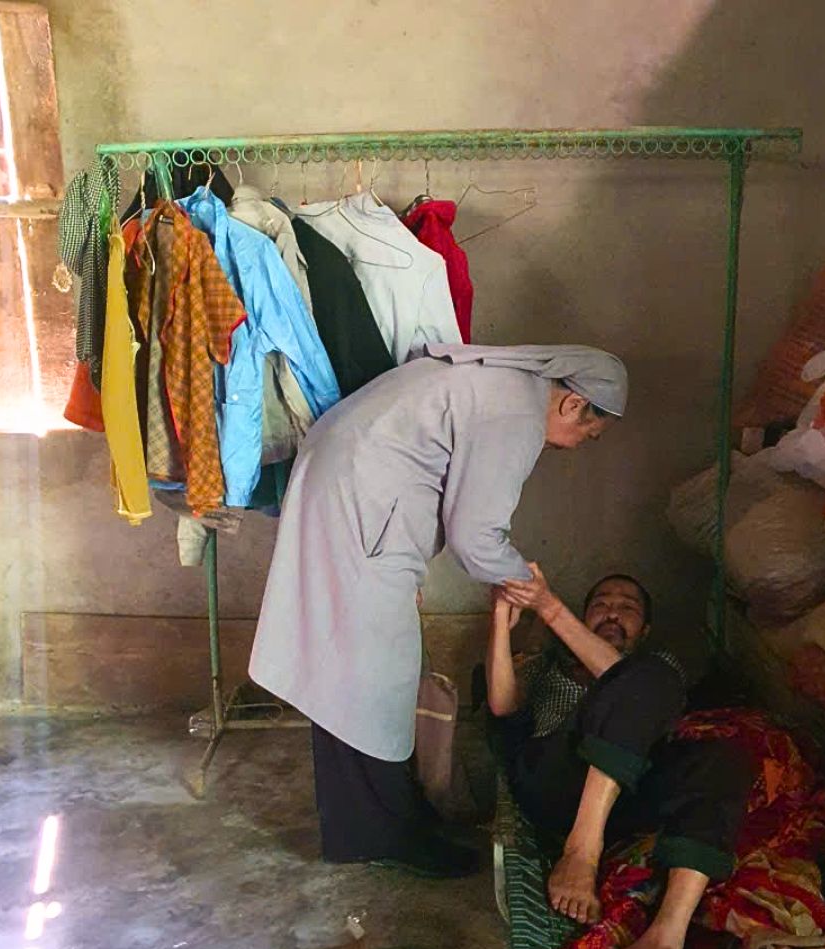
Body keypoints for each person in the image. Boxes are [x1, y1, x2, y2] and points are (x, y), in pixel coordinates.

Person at [250, 344, 628, 878]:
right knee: (373, 679)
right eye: (589, 434)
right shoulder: (517, 413)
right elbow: (477, 537)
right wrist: (528, 586)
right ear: (572, 405)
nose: (577, 445)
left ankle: (377, 822)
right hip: (356, 505)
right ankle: (381, 834)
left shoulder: (502, 387)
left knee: (354, 673)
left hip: (349, 491)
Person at [486, 570, 756, 949]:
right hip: (556, 781)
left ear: (644, 630)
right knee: (641, 679)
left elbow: (621, 675)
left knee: (722, 759)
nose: (612, 612)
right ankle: (580, 851)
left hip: (626, 795)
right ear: (582, 616)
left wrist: (549, 605)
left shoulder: (657, 671)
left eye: (627, 607)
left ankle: (662, 942)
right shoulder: (547, 666)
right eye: (601, 604)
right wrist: (499, 616)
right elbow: (502, 708)